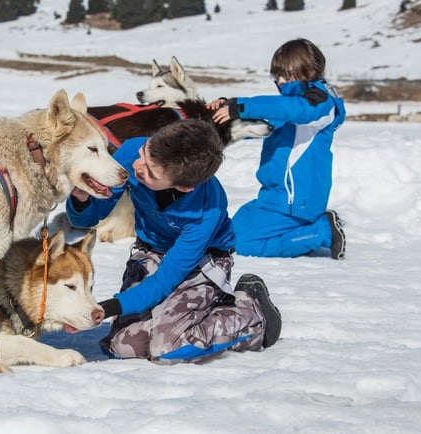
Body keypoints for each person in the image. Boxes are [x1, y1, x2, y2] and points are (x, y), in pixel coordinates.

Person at [66, 119, 281, 364]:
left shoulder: (206, 211)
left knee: (168, 349)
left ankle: (251, 314)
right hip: (150, 253)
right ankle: (181, 317)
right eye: (143, 154)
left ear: (183, 187)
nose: (136, 166)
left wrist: (109, 307)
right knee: (121, 346)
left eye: (150, 172)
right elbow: (90, 216)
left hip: (200, 263)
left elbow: (166, 279)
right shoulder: (131, 153)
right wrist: (81, 197)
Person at [208, 38, 347, 260]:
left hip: (295, 201)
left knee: (240, 243)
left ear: (310, 70)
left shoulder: (320, 104)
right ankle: (298, 237)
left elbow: (296, 110)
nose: (281, 82)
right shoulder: (289, 107)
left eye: (287, 75)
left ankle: (320, 233)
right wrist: (227, 108)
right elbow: (264, 122)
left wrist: (241, 106)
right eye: (277, 76)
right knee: (228, 231)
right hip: (274, 197)